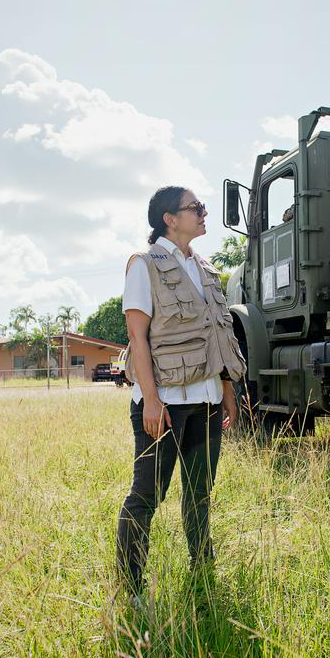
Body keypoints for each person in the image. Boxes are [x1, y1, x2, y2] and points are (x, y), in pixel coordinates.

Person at [115, 186, 246, 599]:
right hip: (165, 405)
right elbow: (138, 336)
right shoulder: (145, 265)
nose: (204, 213)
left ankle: (202, 574)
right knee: (147, 495)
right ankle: (132, 588)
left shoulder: (204, 267)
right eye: (196, 208)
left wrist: (226, 388)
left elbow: (217, 335)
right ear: (170, 218)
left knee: (199, 493)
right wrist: (151, 400)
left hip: (206, 401)